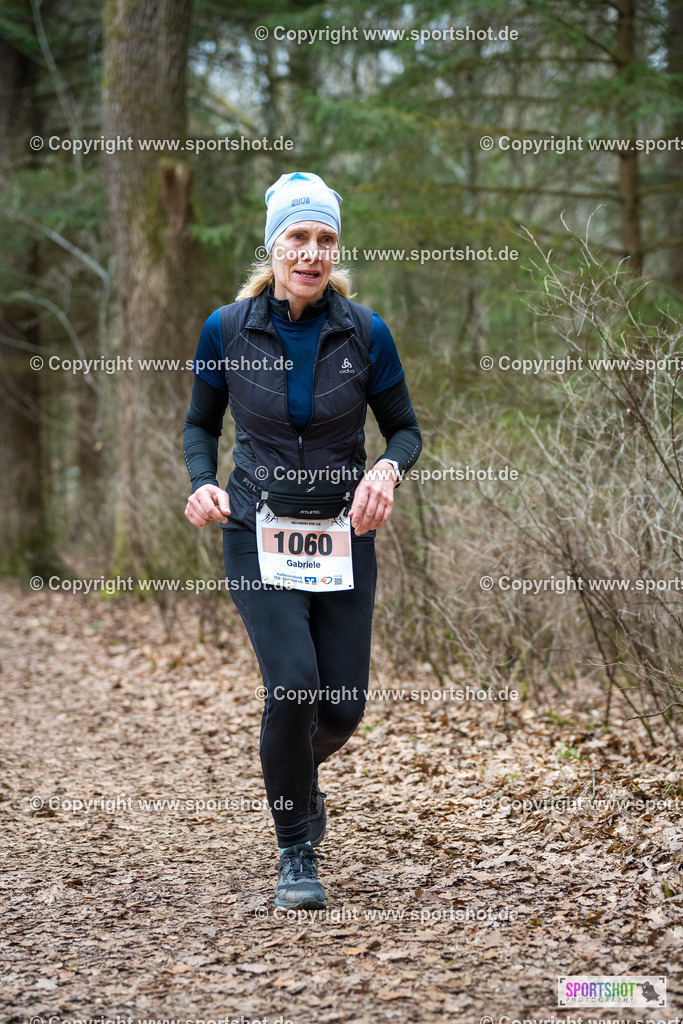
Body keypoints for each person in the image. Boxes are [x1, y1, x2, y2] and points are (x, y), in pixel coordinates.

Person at [183, 171, 421, 910]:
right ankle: (294, 852)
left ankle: (292, 770)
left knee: (341, 707)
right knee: (292, 684)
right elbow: (199, 423)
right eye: (298, 238)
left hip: (343, 532)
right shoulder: (226, 328)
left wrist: (385, 467)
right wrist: (202, 482)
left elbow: (405, 428)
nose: (311, 253)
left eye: (324, 239)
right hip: (256, 528)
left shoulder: (365, 331)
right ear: (274, 246)